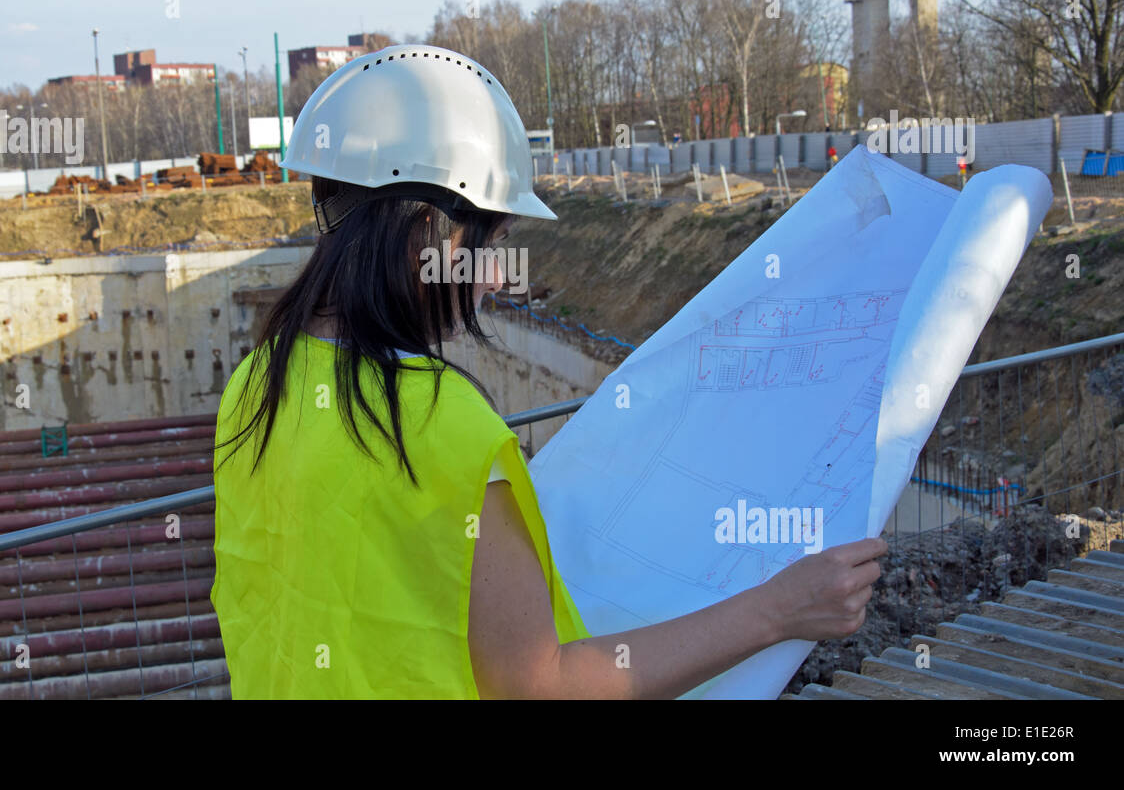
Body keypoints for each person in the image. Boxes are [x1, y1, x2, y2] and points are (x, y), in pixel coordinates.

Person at [210, 43, 888, 699]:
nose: (497, 275)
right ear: (429, 231)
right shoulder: (445, 428)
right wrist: (777, 610)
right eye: (492, 243)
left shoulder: (256, 384)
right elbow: (540, 686)